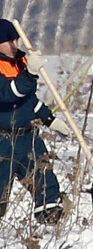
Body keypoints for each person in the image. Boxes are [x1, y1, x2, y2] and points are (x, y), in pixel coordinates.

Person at [0, 19, 70, 224]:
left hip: (28, 139)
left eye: (15, 39)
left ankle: (50, 224)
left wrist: (49, 119)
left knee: (45, 181)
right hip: (2, 142)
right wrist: (30, 74)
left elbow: (28, 101)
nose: (14, 45)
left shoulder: (19, 63)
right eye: (8, 41)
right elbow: (9, 94)